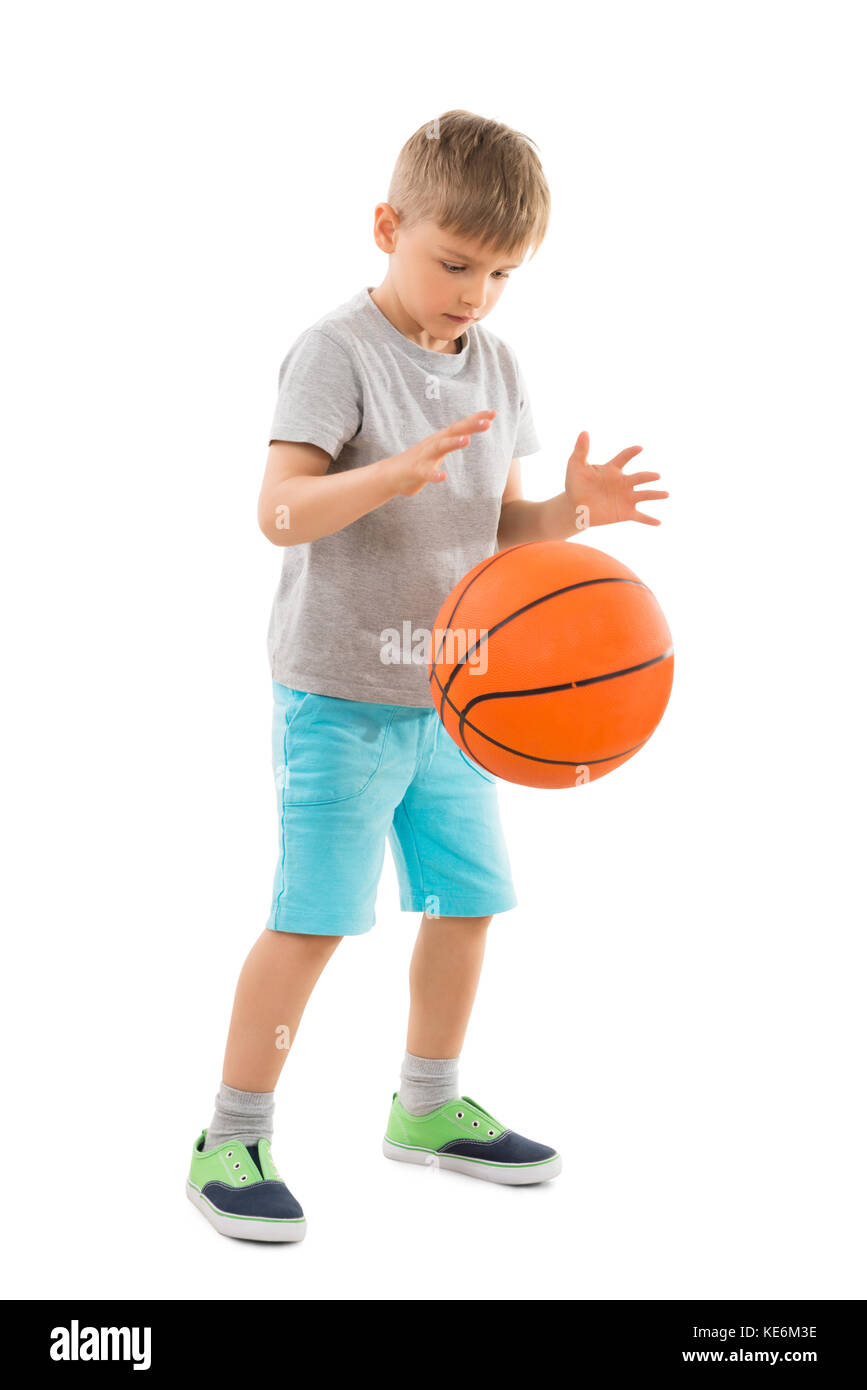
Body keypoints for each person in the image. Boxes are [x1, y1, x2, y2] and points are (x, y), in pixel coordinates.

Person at [186, 109, 667, 1241]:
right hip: (342, 697)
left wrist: (566, 515)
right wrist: (385, 476)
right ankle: (230, 1131)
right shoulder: (335, 353)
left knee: (467, 906)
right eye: (454, 262)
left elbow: (498, 530)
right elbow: (278, 510)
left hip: (458, 700)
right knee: (312, 922)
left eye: (502, 272)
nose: (476, 293)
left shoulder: (497, 362)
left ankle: (430, 1109)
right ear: (387, 226)